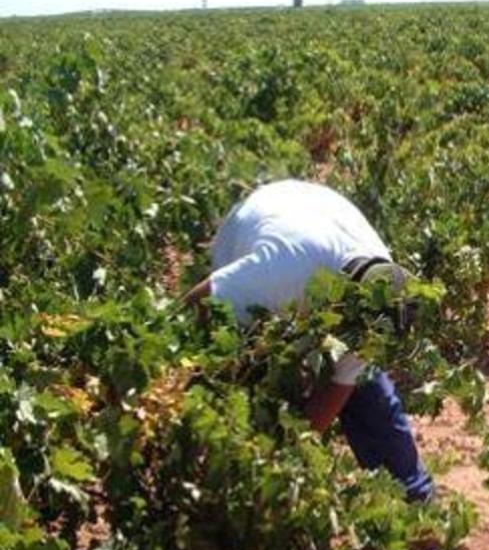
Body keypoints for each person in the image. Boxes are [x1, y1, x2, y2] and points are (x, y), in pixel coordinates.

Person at [182, 179, 435, 502]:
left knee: (368, 392)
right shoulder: (280, 273)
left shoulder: (382, 294)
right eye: (352, 338)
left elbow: (333, 394)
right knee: (247, 375)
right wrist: (182, 374)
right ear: (341, 306)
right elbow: (199, 302)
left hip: (317, 213)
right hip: (257, 222)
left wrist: (285, 463)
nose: (357, 347)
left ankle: (413, 501)